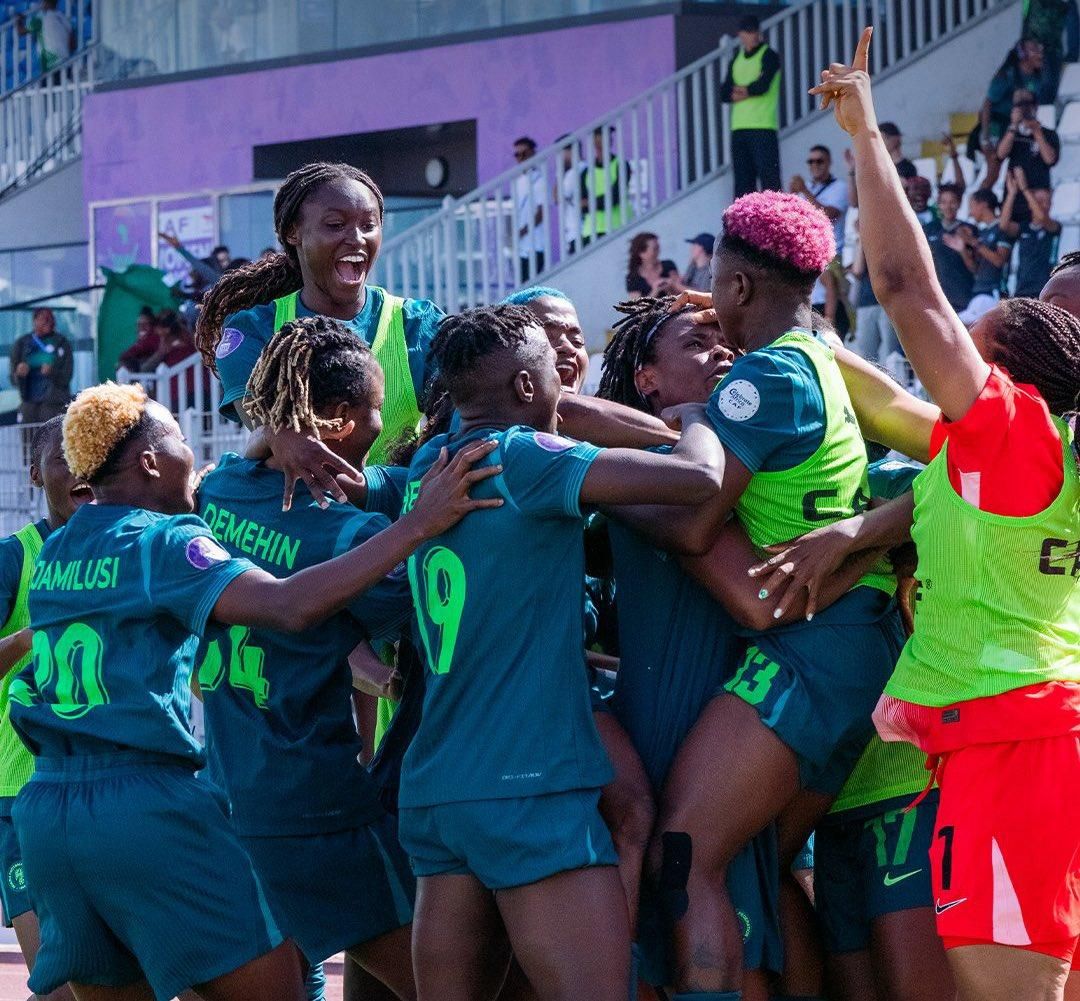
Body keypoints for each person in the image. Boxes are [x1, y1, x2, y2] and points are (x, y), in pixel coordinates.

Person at [6, 379, 498, 1001]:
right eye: (180, 441)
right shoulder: (165, 541)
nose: (194, 457)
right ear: (152, 462)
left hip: (47, 813)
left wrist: (274, 435)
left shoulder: (56, 550)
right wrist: (420, 523)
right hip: (143, 802)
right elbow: (289, 606)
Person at [807, 27, 1080, 1000]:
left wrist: (864, 133)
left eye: (975, 340)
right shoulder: (1012, 454)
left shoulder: (1016, 436)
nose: (954, 346)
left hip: (1013, 748)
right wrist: (800, 334)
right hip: (1019, 741)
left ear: (1009, 376)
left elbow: (905, 290)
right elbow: (889, 403)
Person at [605, 191, 905, 999]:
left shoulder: (762, 376)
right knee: (755, 863)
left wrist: (593, 483)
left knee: (683, 852)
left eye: (717, 288)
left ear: (738, 286)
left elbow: (695, 518)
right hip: (856, 645)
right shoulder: (821, 356)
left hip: (815, 652)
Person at [397, 303, 727, 1001]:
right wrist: (698, 416)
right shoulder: (526, 458)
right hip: (527, 784)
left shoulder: (432, 465)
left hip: (438, 789)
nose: (567, 386)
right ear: (525, 387)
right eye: (553, 368)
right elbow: (698, 479)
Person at [197, 316, 423, 1000]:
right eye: (377, 408)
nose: (383, 422)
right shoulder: (352, 534)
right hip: (313, 802)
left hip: (228, 790)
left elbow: (246, 462)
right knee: (445, 983)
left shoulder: (219, 490)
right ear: (343, 419)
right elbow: (425, 618)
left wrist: (276, 430)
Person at [195, 162, 443, 505]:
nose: (356, 238)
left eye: (369, 225)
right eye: (336, 225)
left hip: (398, 520)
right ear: (293, 232)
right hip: (300, 523)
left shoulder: (416, 324)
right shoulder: (253, 329)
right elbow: (266, 429)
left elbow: (461, 421)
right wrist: (276, 434)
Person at [0, 417, 89, 1001]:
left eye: (93, 456)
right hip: (23, 793)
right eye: (66, 457)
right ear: (35, 474)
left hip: (115, 791)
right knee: (61, 986)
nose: (82, 469)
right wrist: (35, 634)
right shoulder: (15, 559)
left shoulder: (138, 551)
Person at [975, 39, 1054, 188]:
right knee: (993, 171)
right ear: (1022, 54)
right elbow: (987, 104)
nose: (1040, 53)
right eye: (1034, 49)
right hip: (996, 125)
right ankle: (981, 198)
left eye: (1039, 48)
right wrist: (985, 136)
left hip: (1017, 126)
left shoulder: (1037, 78)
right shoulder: (1007, 76)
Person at [720, 15, 782, 197]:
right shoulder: (736, 59)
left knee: (769, 180)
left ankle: (774, 213)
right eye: (749, 31)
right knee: (742, 183)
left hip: (763, 125)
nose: (753, 35)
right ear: (741, 35)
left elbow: (762, 86)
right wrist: (748, 90)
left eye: (755, 31)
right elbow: (724, 93)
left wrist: (740, 90)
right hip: (739, 127)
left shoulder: (769, 55)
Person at [790, 145, 850, 330]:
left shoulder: (839, 187)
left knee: (829, 282)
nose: (814, 165)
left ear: (829, 162)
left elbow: (828, 215)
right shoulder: (805, 188)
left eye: (819, 161)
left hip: (831, 253)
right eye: (811, 161)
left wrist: (804, 191)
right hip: (806, 253)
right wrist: (792, 194)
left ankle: (831, 322)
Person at [995, 87, 1060, 225]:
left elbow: (1050, 160)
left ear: (1035, 106)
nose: (1023, 108)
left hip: (1038, 197)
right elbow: (1000, 155)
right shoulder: (1010, 133)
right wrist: (1014, 125)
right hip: (1014, 195)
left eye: (1027, 104)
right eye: (1019, 104)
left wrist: (1036, 131)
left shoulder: (1049, 134)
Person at [1002, 166, 1062, 297]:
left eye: (1048, 202)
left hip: (1044, 290)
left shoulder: (1054, 226)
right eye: (1039, 202)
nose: (1044, 205)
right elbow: (1004, 226)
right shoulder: (1024, 227)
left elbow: (1041, 217)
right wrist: (1011, 194)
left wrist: (1024, 189)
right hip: (1021, 290)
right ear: (1030, 204)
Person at [958, 189, 1014, 326]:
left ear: (983, 205)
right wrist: (962, 249)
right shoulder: (982, 233)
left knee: (962, 326)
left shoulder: (1001, 230)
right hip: (978, 291)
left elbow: (999, 261)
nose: (970, 213)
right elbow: (975, 269)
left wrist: (973, 242)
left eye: (972, 206)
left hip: (993, 292)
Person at [9, 309, 73, 427]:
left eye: (51, 318)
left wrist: (52, 372)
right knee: (29, 436)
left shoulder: (62, 343)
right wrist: (18, 373)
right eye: (44, 318)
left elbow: (67, 376)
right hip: (29, 406)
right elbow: (13, 379)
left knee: (52, 437)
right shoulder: (22, 344)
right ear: (35, 321)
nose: (49, 322)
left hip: (54, 405)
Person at [924, 183, 976, 314]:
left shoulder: (969, 230)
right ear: (938, 204)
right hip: (936, 297)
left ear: (959, 204)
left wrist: (962, 250)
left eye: (953, 202)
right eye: (944, 202)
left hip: (963, 297)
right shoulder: (929, 229)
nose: (948, 207)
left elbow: (975, 268)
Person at [581, 126, 632, 246]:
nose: (602, 142)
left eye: (606, 138)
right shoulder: (586, 172)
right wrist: (596, 203)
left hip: (619, 225)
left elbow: (614, 198)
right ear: (594, 142)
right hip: (592, 230)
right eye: (599, 138)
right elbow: (582, 205)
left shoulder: (620, 164)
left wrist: (590, 203)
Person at [513, 137, 547, 282]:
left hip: (536, 245)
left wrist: (523, 231)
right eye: (517, 155)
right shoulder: (517, 181)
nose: (521, 158)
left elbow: (541, 213)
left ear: (533, 153)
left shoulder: (539, 180)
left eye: (524, 154)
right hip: (521, 247)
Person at [15, 0, 74, 74]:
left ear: (45, 3)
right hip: (66, 64)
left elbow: (21, 32)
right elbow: (73, 44)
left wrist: (18, 20)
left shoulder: (41, 18)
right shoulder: (64, 18)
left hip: (50, 65)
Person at [626, 232, 682, 299]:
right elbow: (638, 304)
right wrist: (655, 291)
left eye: (658, 248)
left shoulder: (668, 265)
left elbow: (680, 291)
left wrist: (670, 286)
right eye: (655, 249)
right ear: (642, 253)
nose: (658, 252)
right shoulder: (633, 278)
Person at [556, 134, 586, 256]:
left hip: (576, 232)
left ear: (569, 151)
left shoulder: (573, 173)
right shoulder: (586, 167)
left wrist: (560, 173)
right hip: (583, 230)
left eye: (560, 153)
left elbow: (557, 197)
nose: (558, 158)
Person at [117, 308, 160, 373]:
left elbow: (126, 355)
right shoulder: (142, 340)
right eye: (139, 325)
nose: (141, 327)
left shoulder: (154, 338)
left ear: (152, 326)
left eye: (145, 324)